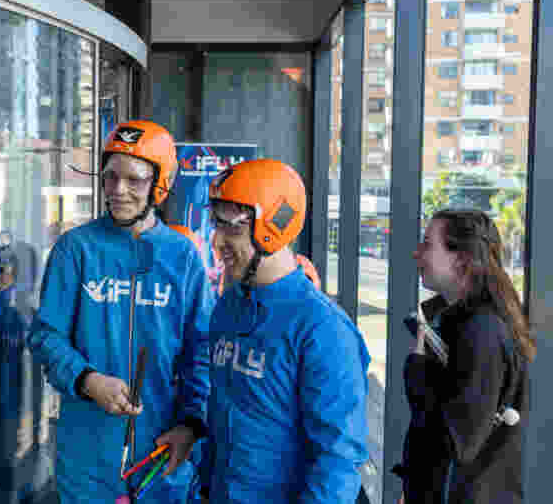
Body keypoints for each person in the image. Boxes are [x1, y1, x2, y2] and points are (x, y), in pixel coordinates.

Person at [27, 120, 214, 504]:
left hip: (162, 454)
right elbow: (46, 336)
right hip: (87, 455)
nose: (118, 190)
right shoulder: (75, 249)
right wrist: (87, 380)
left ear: (160, 185)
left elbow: (203, 354)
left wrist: (192, 425)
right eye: (111, 177)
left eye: (135, 180)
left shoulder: (183, 258)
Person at [200, 158, 370, 504]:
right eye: (214, 224)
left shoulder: (323, 329)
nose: (216, 241)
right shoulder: (226, 309)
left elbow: (338, 461)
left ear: (271, 227)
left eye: (230, 226)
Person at [394, 209, 533, 504]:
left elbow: (459, 442)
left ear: (462, 259)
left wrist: (418, 371)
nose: (416, 253)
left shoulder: (481, 330)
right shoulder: (464, 324)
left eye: (427, 244)